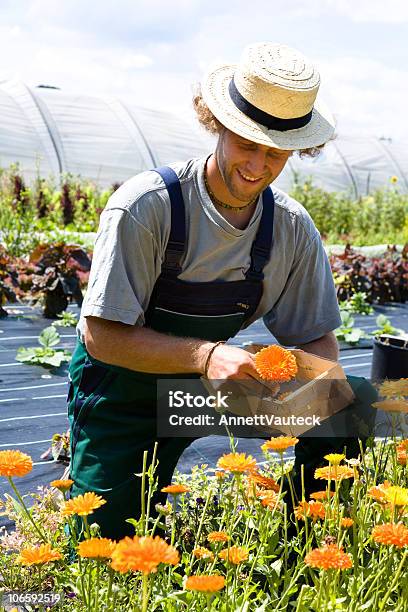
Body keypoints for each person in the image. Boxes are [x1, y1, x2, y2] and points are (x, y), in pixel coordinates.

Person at [67, 42, 376, 541]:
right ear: (219, 126)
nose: (257, 166)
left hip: (215, 393)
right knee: (102, 547)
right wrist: (207, 355)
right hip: (126, 397)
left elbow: (319, 340)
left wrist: (296, 374)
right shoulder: (148, 206)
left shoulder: (290, 227)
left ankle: (303, 544)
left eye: (275, 154)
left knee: (350, 399)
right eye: (247, 146)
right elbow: (102, 336)